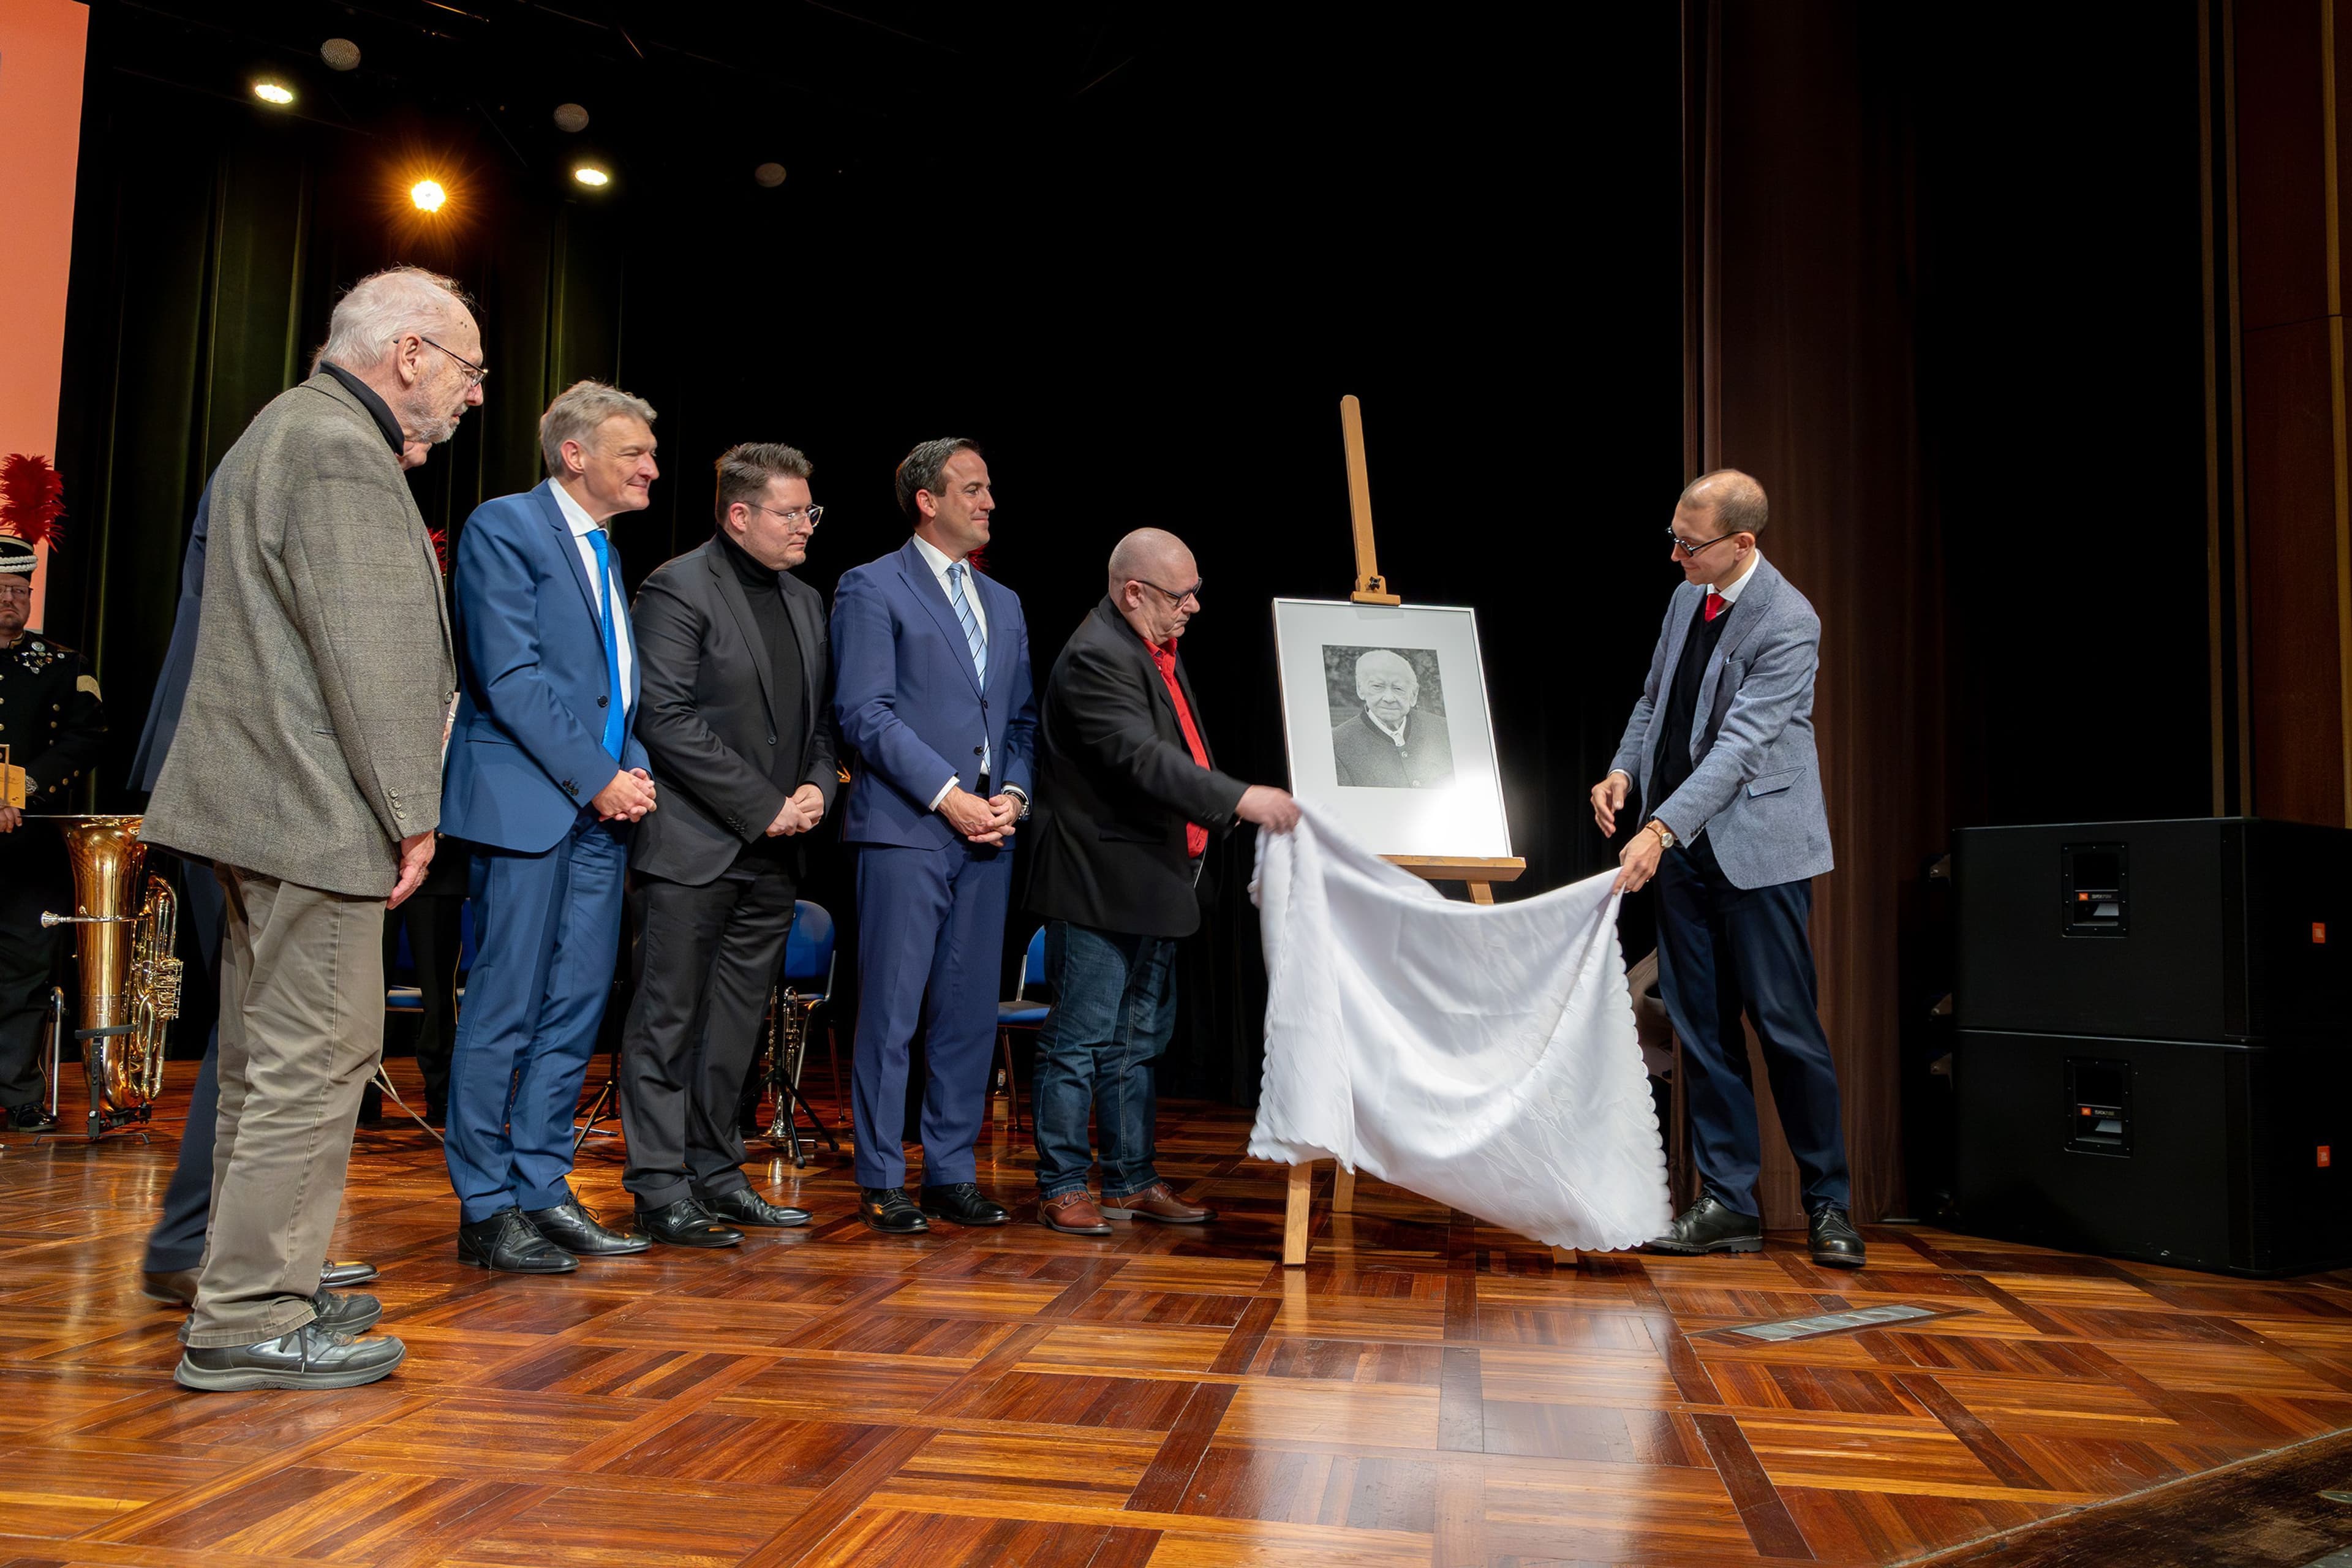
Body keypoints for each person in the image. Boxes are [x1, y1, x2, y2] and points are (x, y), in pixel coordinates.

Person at [143, 264, 478, 1389]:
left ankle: (250, 1271)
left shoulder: (285, 427)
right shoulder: (340, 450)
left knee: (262, 1063)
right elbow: (373, 661)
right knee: (320, 1063)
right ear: (412, 353)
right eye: (468, 369)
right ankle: (250, 1315)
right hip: (319, 812)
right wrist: (413, 816)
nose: (472, 394)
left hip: (260, 809)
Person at [131, 467, 402, 1303]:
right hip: (247, 771)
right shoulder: (310, 462)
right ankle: (223, 1257)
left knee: (257, 1026)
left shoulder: (276, 459)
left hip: (229, 766)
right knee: (273, 1026)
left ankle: (214, 1245)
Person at [1591, 468, 1860, 1269]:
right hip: (1682, 851)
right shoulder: (1684, 600)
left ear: (1743, 542)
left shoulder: (1788, 620)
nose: (1675, 555)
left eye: (1690, 543)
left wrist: (1663, 829)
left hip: (1758, 853)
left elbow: (1742, 748)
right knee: (1698, 1029)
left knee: (1786, 1029)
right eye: (1672, 536)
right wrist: (1624, 773)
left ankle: (1829, 1205)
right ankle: (1727, 1204)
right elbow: (1653, 701)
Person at [438, 382, 662, 1272]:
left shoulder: (604, 549)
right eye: (634, 451)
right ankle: (485, 1206)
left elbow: (611, 686)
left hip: (597, 815)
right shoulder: (507, 527)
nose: (652, 466)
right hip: (530, 808)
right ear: (575, 454)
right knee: (505, 1008)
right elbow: (512, 676)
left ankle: (542, 1187)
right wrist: (600, 776)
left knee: (573, 1009)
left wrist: (632, 763)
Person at [1022, 529, 1299, 1234]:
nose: (1195, 607)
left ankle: (1129, 1180)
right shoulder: (1095, 657)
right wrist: (1238, 797)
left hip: (1153, 881)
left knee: (1135, 1041)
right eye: (1182, 595)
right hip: (1097, 880)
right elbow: (1142, 758)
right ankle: (1061, 1185)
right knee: (1079, 1040)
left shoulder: (1154, 651)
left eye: (1196, 590)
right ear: (1134, 592)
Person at [617, 443, 840, 1243]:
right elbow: (666, 718)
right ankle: (657, 1182)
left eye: (810, 511)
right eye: (792, 512)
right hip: (694, 843)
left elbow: (820, 722)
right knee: (668, 1019)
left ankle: (717, 1171)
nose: (806, 526)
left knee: (738, 1028)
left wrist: (816, 784)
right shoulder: (677, 588)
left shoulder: (807, 602)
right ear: (739, 514)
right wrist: (762, 804)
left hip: (774, 853)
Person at [831, 437, 1036, 1235]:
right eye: (974, 489)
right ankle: (883, 1178)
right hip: (908, 828)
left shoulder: (1007, 604)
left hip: (990, 833)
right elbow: (864, 714)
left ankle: (952, 1170)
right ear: (928, 499)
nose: (989, 503)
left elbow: (1018, 719)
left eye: (989, 489)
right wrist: (950, 796)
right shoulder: (870, 586)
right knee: (891, 1011)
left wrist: (1012, 794)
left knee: (967, 1012)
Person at [0, 535, 107, 1133]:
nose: (11, 601)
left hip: (30, 846)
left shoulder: (64, 663)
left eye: (21, 591)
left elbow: (87, 737)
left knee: (24, 972)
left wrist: (24, 789)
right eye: (1, 591)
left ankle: (18, 1093)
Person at [1330, 648, 1453, 788]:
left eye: (1398, 688)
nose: (1389, 698)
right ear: (1360, 689)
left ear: (1414, 694)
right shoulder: (1337, 745)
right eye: (1377, 687)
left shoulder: (1443, 730)